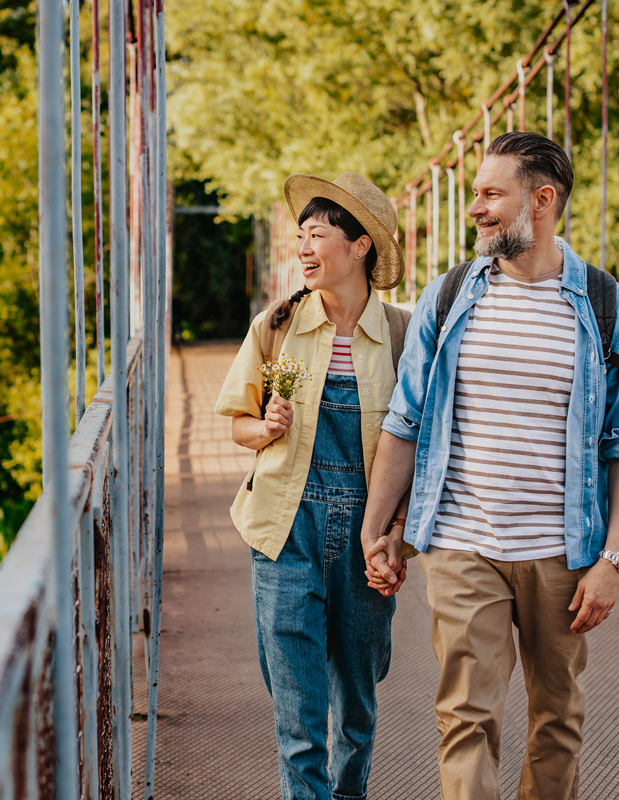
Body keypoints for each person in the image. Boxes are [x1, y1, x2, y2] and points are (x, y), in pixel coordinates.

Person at [360, 131, 619, 800]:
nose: (476, 209)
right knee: (465, 716)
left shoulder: (609, 308)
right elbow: (404, 422)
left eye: (492, 195)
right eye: (474, 194)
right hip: (463, 543)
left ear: (542, 200)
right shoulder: (448, 298)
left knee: (559, 716)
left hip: (565, 553)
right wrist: (378, 531)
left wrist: (613, 561)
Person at [214, 172, 410, 800]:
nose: (302, 247)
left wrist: (397, 536)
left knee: (355, 707)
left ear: (360, 246)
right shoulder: (278, 327)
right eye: (299, 235)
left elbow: (422, 450)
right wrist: (265, 425)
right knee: (298, 714)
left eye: (317, 235)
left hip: (366, 538)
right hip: (286, 529)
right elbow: (240, 425)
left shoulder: (404, 338)